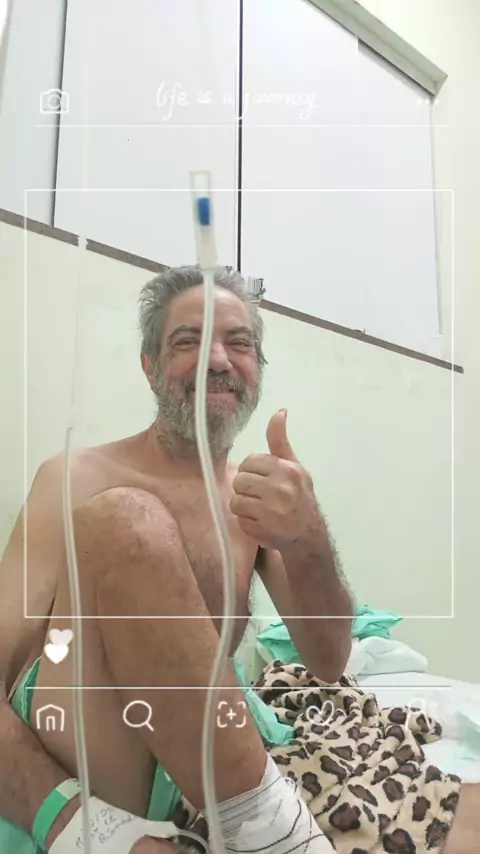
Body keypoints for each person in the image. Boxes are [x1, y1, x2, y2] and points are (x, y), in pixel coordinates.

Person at [1, 265, 477, 854]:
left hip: (210, 770)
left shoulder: (252, 501)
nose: (217, 360)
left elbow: (329, 660)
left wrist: (307, 540)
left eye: (239, 342)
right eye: (187, 341)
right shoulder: (72, 479)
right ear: (149, 366)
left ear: (257, 367)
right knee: (127, 521)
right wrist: (73, 823)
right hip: (88, 768)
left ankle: (265, 825)